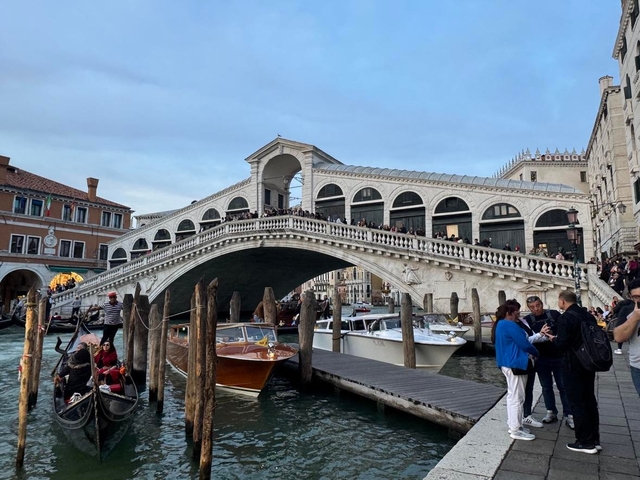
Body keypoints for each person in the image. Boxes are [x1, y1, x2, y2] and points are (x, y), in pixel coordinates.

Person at [551, 290, 600, 454]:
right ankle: (595, 438)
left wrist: (552, 338)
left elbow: (561, 344)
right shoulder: (587, 315)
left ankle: (585, 442)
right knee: (589, 400)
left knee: (577, 402)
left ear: (562, 301)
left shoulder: (566, 317)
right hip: (589, 363)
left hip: (573, 364)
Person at [492, 299, 539, 441]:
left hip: (506, 363)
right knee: (518, 398)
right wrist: (536, 352)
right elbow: (524, 344)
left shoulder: (499, 324)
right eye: (515, 313)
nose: (517, 316)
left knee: (513, 396)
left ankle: (514, 423)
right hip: (515, 363)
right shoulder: (510, 325)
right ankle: (515, 429)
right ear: (509, 313)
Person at [522, 296, 572, 428]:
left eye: (538, 305)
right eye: (532, 307)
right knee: (546, 386)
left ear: (542, 304)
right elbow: (528, 338)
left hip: (559, 356)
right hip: (541, 358)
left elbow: (564, 330)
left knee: (563, 386)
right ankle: (551, 412)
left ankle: (569, 413)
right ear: (528, 308)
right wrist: (540, 334)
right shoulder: (527, 320)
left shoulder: (554, 314)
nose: (536, 309)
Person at [516, 299, 550, 429]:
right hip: (523, 360)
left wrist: (544, 336)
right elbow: (525, 341)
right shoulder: (514, 325)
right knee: (520, 391)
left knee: (528, 389)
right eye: (515, 311)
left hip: (531, 360)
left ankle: (527, 415)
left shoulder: (523, 322)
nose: (518, 312)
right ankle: (520, 418)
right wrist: (539, 335)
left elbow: (531, 338)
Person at [613, 278, 640, 398]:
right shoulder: (628, 310)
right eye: (636, 297)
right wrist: (635, 317)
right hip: (638, 366)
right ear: (630, 296)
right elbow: (618, 337)